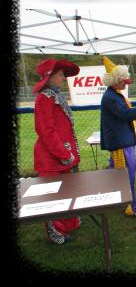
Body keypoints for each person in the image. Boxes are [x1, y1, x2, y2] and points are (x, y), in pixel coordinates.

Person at [100, 56, 136, 217]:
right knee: (127, 175)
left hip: (122, 141)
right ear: (114, 81)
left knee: (119, 174)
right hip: (121, 143)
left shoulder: (115, 95)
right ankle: (131, 208)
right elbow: (125, 114)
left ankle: (120, 201)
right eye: (122, 81)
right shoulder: (111, 97)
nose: (125, 84)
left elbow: (128, 109)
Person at [33, 58, 81, 245]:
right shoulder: (43, 99)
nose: (63, 79)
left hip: (63, 157)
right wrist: (64, 154)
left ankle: (69, 224)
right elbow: (47, 131)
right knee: (52, 198)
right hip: (51, 159)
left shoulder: (55, 96)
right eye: (60, 75)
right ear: (50, 77)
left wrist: (69, 155)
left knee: (67, 192)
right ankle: (56, 233)